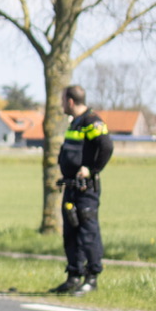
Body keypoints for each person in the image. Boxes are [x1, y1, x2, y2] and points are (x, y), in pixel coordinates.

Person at [51, 84, 114, 295]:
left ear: (70, 101)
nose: (61, 104)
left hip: (86, 189)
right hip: (71, 187)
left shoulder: (91, 121)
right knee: (71, 233)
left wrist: (92, 169)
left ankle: (92, 278)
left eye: (62, 100)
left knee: (88, 233)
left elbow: (106, 146)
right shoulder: (75, 122)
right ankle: (73, 275)